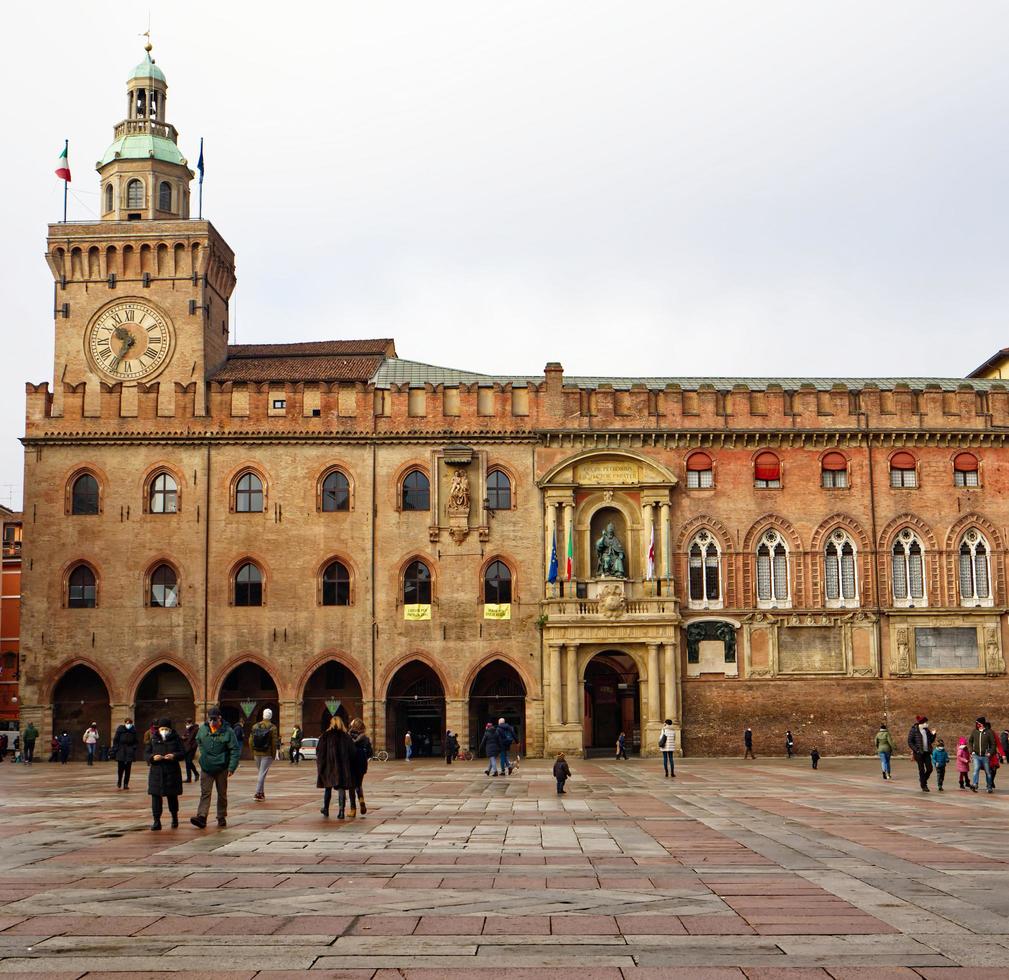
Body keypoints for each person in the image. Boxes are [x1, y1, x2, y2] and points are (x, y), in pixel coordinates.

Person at [190, 706, 240, 829]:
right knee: (205, 793)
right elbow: (199, 740)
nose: (212, 722)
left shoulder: (228, 731)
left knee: (222, 794)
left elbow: (234, 750)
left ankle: (221, 816)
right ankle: (202, 816)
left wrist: (231, 767)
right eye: (210, 720)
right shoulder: (203, 729)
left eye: (215, 719)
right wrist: (204, 755)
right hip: (207, 767)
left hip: (222, 767)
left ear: (220, 718)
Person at [145, 718, 184, 831]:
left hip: (172, 771)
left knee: (172, 796)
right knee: (156, 797)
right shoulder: (153, 739)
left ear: (170, 729)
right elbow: (146, 753)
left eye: (166, 729)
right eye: (162, 729)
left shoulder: (176, 739)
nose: (164, 731)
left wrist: (174, 756)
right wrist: (152, 757)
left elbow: (182, 753)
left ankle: (174, 818)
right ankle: (157, 821)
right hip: (157, 772)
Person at [317, 715, 354, 819]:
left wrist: (321, 765)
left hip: (328, 766)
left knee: (327, 787)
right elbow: (352, 752)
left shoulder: (325, 736)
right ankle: (341, 812)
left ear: (331, 724)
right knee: (341, 788)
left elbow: (319, 752)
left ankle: (326, 809)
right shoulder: (346, 737)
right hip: (342, 767)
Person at [249, 708, 278, 802]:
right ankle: (257, 793)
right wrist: (273, 755)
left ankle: (261, 793)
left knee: (261, 773)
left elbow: (250, 740)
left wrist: (252, 751)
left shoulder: (255, 726)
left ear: (263, 715)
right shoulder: (273, 727)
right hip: (267, 753)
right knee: (262, 774)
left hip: (257, 752)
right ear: (271, 716)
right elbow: (274, 742)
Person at [348, 718, 373, 816]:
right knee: (358, 784)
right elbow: (370, 753)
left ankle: (353, 809)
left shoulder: (349, 736)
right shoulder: (365, 738)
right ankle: (361, 800)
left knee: (351, 786)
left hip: (351, 762)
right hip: (362, 763)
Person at [968, 716, 996, 794]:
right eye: (977, 724)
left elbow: (993, 744)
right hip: (976, 755)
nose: (977, 725)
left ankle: (989, 787)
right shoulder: (974, 731)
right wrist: (971, 751)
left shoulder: (989, 732)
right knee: (976, 770)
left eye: (979, 723)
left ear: (983, 724)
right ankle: (975, 784)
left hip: (985, 756)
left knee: (988, 772)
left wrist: (990, 752)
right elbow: (970, 741)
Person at [907, 715, 934, 792]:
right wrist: (916, 750)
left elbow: (930, 741)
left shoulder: (926, 730)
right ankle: (924, 785)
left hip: (927, 752)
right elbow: (910, 741)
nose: (927, 724)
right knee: (921, 769)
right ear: (921, 723)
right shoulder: (914, 730)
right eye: (925, 722)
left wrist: (934, 734)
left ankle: (923, 780)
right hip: (919, 753)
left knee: (930, 769)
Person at [112, 718, 138, 790]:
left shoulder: (133, 731)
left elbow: (136, 741)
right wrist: (116, 748)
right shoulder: (120, 730)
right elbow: (115, 740)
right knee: (120, 768)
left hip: (129, 751)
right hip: (121, 750)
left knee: (128, 769)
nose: (128, 724)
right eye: (127, 723)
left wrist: (134, 748)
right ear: (125, 723)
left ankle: (126, 784)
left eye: (129, 723)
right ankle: (119, 781)